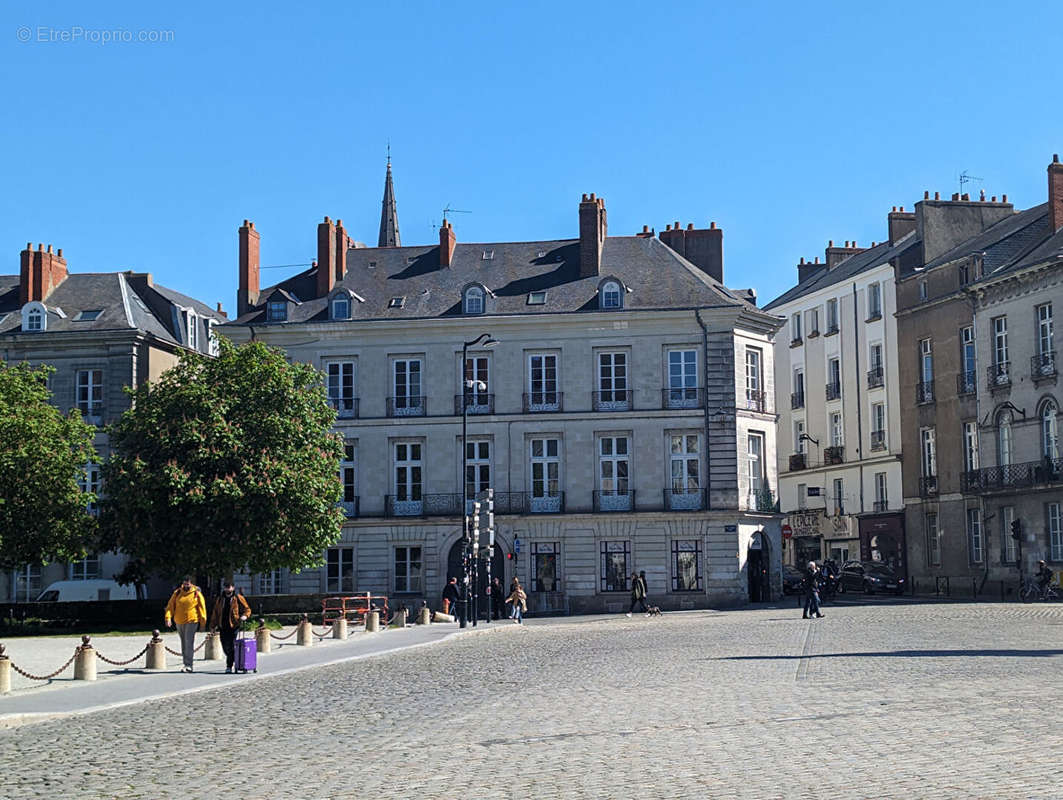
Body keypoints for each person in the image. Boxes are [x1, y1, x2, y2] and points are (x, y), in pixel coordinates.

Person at [165, 576, 207, 672]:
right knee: (183, 643)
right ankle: (185, 664)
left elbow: (202, 607)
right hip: (179, 621)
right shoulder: (177, 593)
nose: (186, 585)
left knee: (189, 642)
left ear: (191, 584)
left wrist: (203, 622)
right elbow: (170, 606)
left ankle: (189, 665)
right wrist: (168, 618)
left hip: (192, 620)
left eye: (188, 583)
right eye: (185, 583)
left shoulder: (196, 593)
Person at [209, 580, 252, 674]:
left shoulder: (238, 598)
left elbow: (247, 609)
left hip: (234, 625)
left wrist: (245, 616)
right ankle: (234, 659)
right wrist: (212, 626)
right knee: (225, 646)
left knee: (232, 645)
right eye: (226, 587)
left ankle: (229, 666)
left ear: (233, 588)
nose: (228, 589)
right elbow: (215, 613)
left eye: (229, 587)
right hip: (222, 625)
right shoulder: (220, 599)